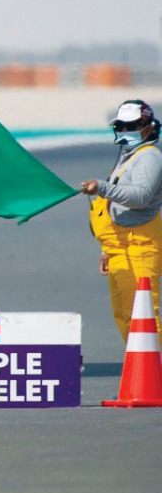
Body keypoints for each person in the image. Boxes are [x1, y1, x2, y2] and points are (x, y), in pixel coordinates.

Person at [79, 99, 162, 341]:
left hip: (139, 248)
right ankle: (141, 370)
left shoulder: (149, 158)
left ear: (148, 126)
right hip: (121, 248)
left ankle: (153, 372)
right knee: (125, 316)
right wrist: (107, 248)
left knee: (143, 316)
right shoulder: (129, 157)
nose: (125, 131)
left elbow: (140, 196)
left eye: (132, 125)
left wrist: (102, 188)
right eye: (121, 126)